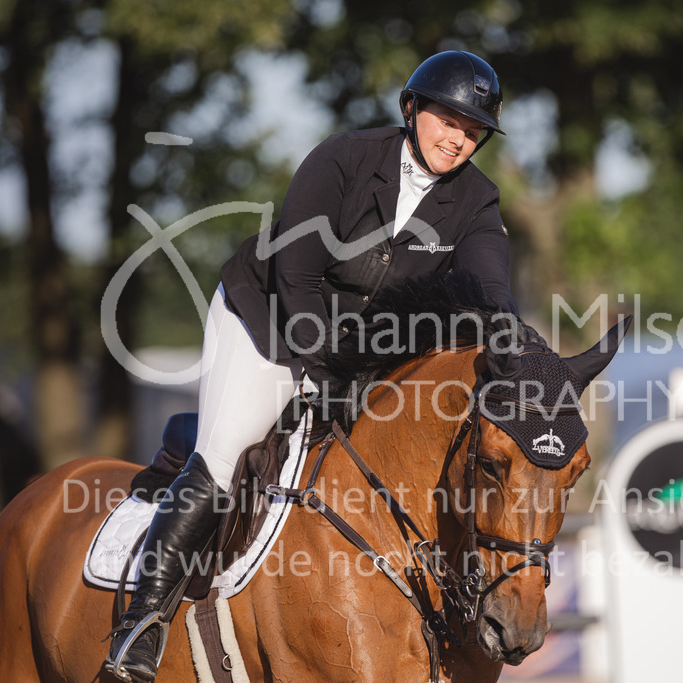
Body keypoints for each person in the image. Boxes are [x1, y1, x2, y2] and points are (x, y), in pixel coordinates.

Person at [105, 50, 519, 682]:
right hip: (268, 318)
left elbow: (492, 290)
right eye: (447, 120)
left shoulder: (477, 202)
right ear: (412, 109)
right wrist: (318, 368)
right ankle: (139, 628)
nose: (458, 138)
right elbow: (296, 270)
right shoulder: (345, 159)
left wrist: (514, 343)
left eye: (472, 131)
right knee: (226, 455)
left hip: (362, 353)